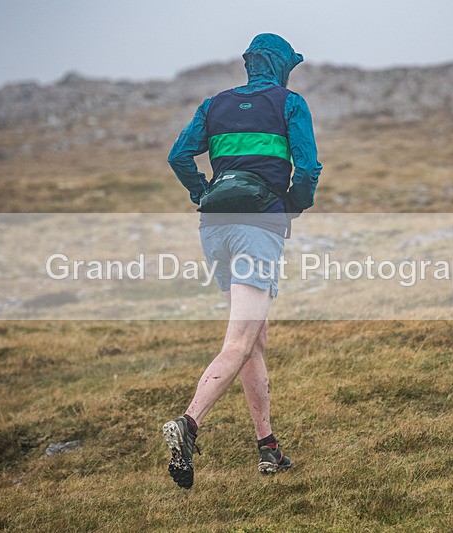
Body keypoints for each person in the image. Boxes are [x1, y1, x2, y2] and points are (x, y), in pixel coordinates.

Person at [163, 33, 322, 489]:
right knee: (238, 342)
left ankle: (268, 447)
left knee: (253, 339)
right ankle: (188, 424)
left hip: (214, 229)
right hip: (257, 227)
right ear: (281, 66)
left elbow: (179, 155)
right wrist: (290, 206)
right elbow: (308, 168)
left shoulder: (214, 104)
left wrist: (203, 192)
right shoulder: (290, 104)